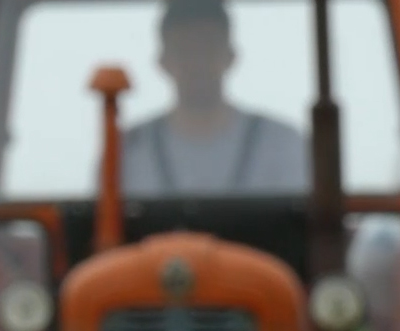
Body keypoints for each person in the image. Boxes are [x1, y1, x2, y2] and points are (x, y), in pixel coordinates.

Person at [119, 0, 310, 197]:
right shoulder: (127, 152)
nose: (197, 63)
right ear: (162, 61)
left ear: (231, 56)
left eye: (207, 48)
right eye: (184, 50)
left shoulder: (281, 144)